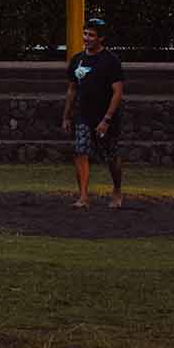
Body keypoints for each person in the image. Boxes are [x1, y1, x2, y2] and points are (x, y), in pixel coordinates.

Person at [61, 19, 125, 209]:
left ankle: (117, 190)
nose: (86, 38)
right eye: (85, 33)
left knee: (111, 156)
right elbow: (72, 89)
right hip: (83, 115)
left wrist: (107, 119)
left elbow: (118, 92)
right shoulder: (77, 60)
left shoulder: (111, 61)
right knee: (81, 151)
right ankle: (83, 196)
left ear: (101, 38)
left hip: (105, 116)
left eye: (91, 35)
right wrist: (66, 115)